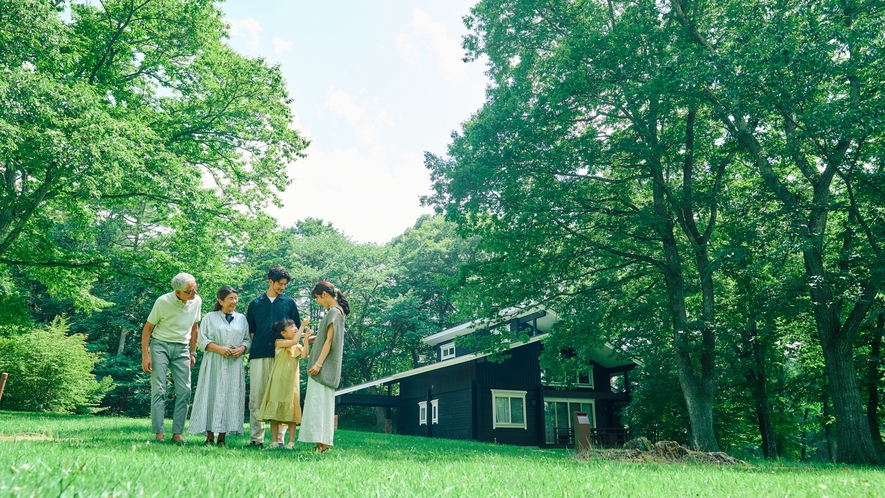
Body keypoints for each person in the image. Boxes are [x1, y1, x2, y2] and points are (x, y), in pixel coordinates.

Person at [141, 272, 202, 445]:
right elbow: (147, 329)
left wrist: (193, 352)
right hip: (160, 345)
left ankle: (177, 434)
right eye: (190, 291)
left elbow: (194, 327)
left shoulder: (196, 301)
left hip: (182, 347)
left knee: (185, 391)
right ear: (178, 293)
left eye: (195, 288)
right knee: (159, 390)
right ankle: (159, 434)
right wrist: (146, 356)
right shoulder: (162, 302)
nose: (194, 293)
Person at [245, 266, 303, 447]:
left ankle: (279, 440)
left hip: (284, 358)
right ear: (270, 281)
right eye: (280, 284)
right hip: (260, 355)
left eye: (285, 285)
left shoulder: (290, 303)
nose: (282, 287)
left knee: (282, 397)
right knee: (257, 397)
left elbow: (296, 331)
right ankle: (256, 439)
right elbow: (251, 331)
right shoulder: (255, 303)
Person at [188, 286, 250, 446]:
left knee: (229, 397)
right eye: (231, 298)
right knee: (211, 394)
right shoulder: (210, 317)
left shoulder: (241, 318)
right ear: (221, 301)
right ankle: (209, 437)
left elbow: (247, 340)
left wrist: (241, 349)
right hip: (214, 362)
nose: (234, 301)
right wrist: (220, 349)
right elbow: (202, 341)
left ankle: (222, 438)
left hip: (233, 364)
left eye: (236, 298)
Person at [298, 281, 349, 452]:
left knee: (319, 404)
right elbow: (324, 337)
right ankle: (321, 443)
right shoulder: (337, 312)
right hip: (327, 366)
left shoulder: (334, 312)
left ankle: (323, 444)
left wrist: (318, 364)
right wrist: (312, 339)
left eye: (318, 298)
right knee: (322, 404)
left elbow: (329, 341)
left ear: (325, 295)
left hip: (324, 366)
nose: (319, 302)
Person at [258, 318, 312, 449]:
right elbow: (294, 340)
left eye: (295, 326)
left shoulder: (296, 345)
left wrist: (306, 341)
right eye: (292, 327)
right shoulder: (279, 342)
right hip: (278, 381)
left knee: (292, 413)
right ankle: (274, 442)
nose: (295, 328)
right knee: (274, 413)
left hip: (291, 383)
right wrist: (303, 326)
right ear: (283, 333)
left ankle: (291, 443)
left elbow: (304, 355)